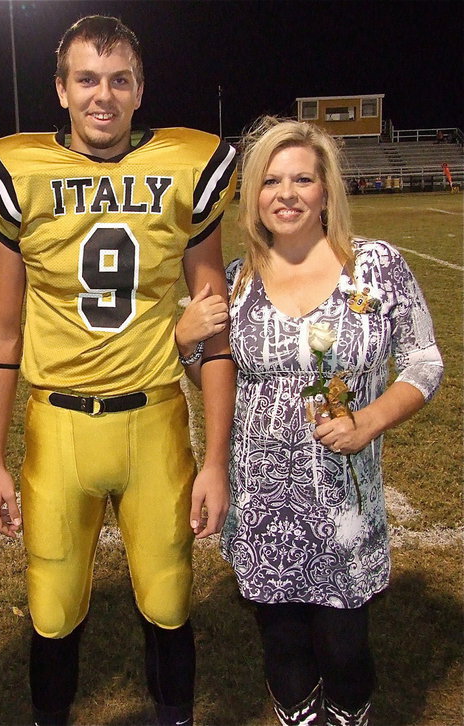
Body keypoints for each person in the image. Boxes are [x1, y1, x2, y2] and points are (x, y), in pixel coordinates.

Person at [0, 15, 237, 726]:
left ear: (141, 89)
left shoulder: (187, 164)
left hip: (155, 416)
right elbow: (1, 329)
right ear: (60, 88)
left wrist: (216, 459)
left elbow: (215, 324)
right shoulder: (17, 173)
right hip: (58, 420)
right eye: (87, 79)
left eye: (119, 80)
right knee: (52, 604)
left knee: (170, 596)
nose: (103, 96)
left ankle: (173, 716)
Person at [221, 117, 443, 725]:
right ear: (254, 195)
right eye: (270, 181)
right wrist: (191, 348)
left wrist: (370, 419)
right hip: (262, 505)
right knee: (283, 647)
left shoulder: (376, 266)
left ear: (326, 190)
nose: (285, 194)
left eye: (302, 179)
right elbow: (222, 381)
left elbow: (425, 360)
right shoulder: (238, 281)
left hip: (343, 507)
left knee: (345, 649)